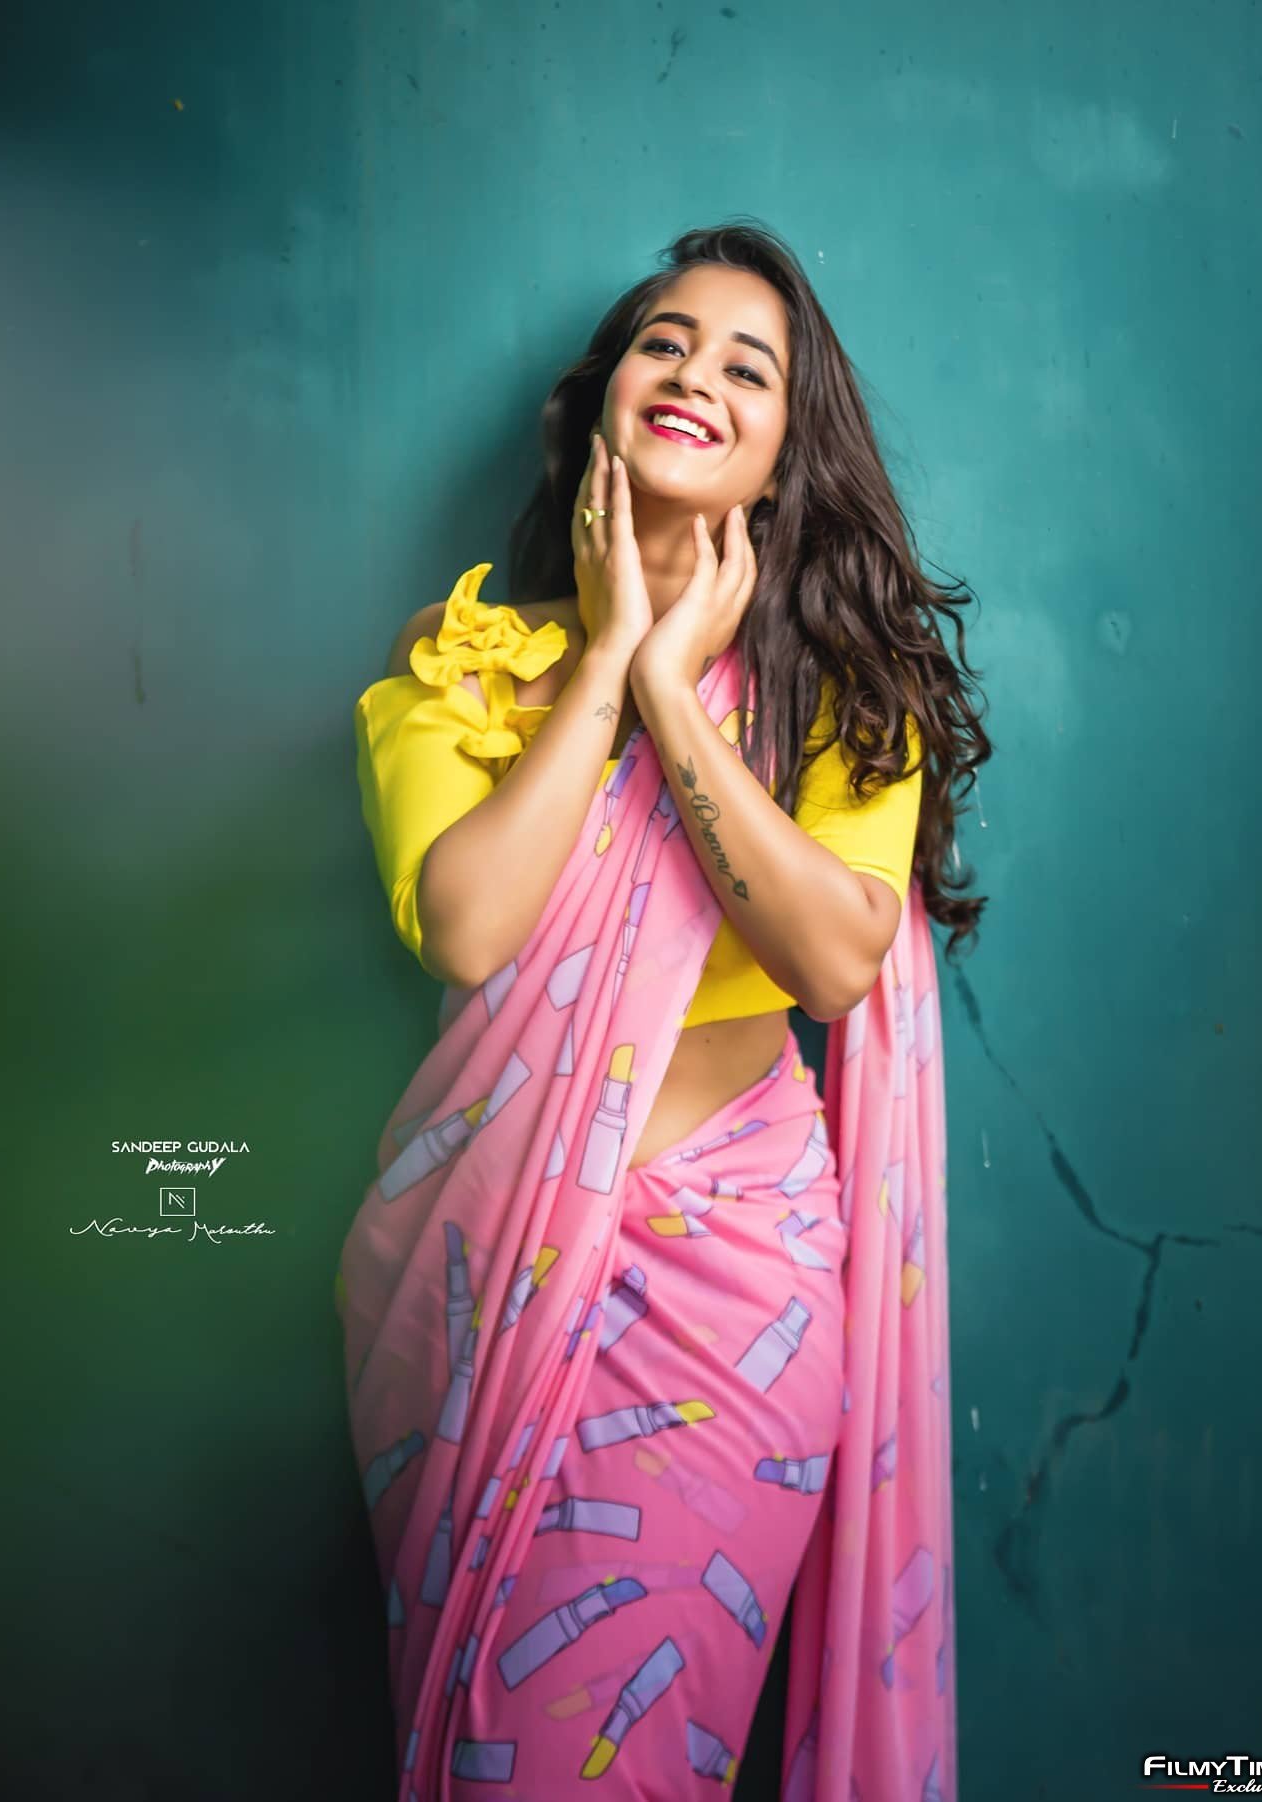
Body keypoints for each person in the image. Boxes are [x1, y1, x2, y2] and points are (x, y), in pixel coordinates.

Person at [336, 221, 991, 1801]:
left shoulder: (846, 699)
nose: (697, 375)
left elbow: (832, 956)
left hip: (732, 1302)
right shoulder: (462, 671)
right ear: (606, 398)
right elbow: (472, 921)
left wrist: (683, 702)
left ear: (785, 448)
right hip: (478, 1283)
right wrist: (613, 656)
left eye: (748, 367)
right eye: (665, 344)